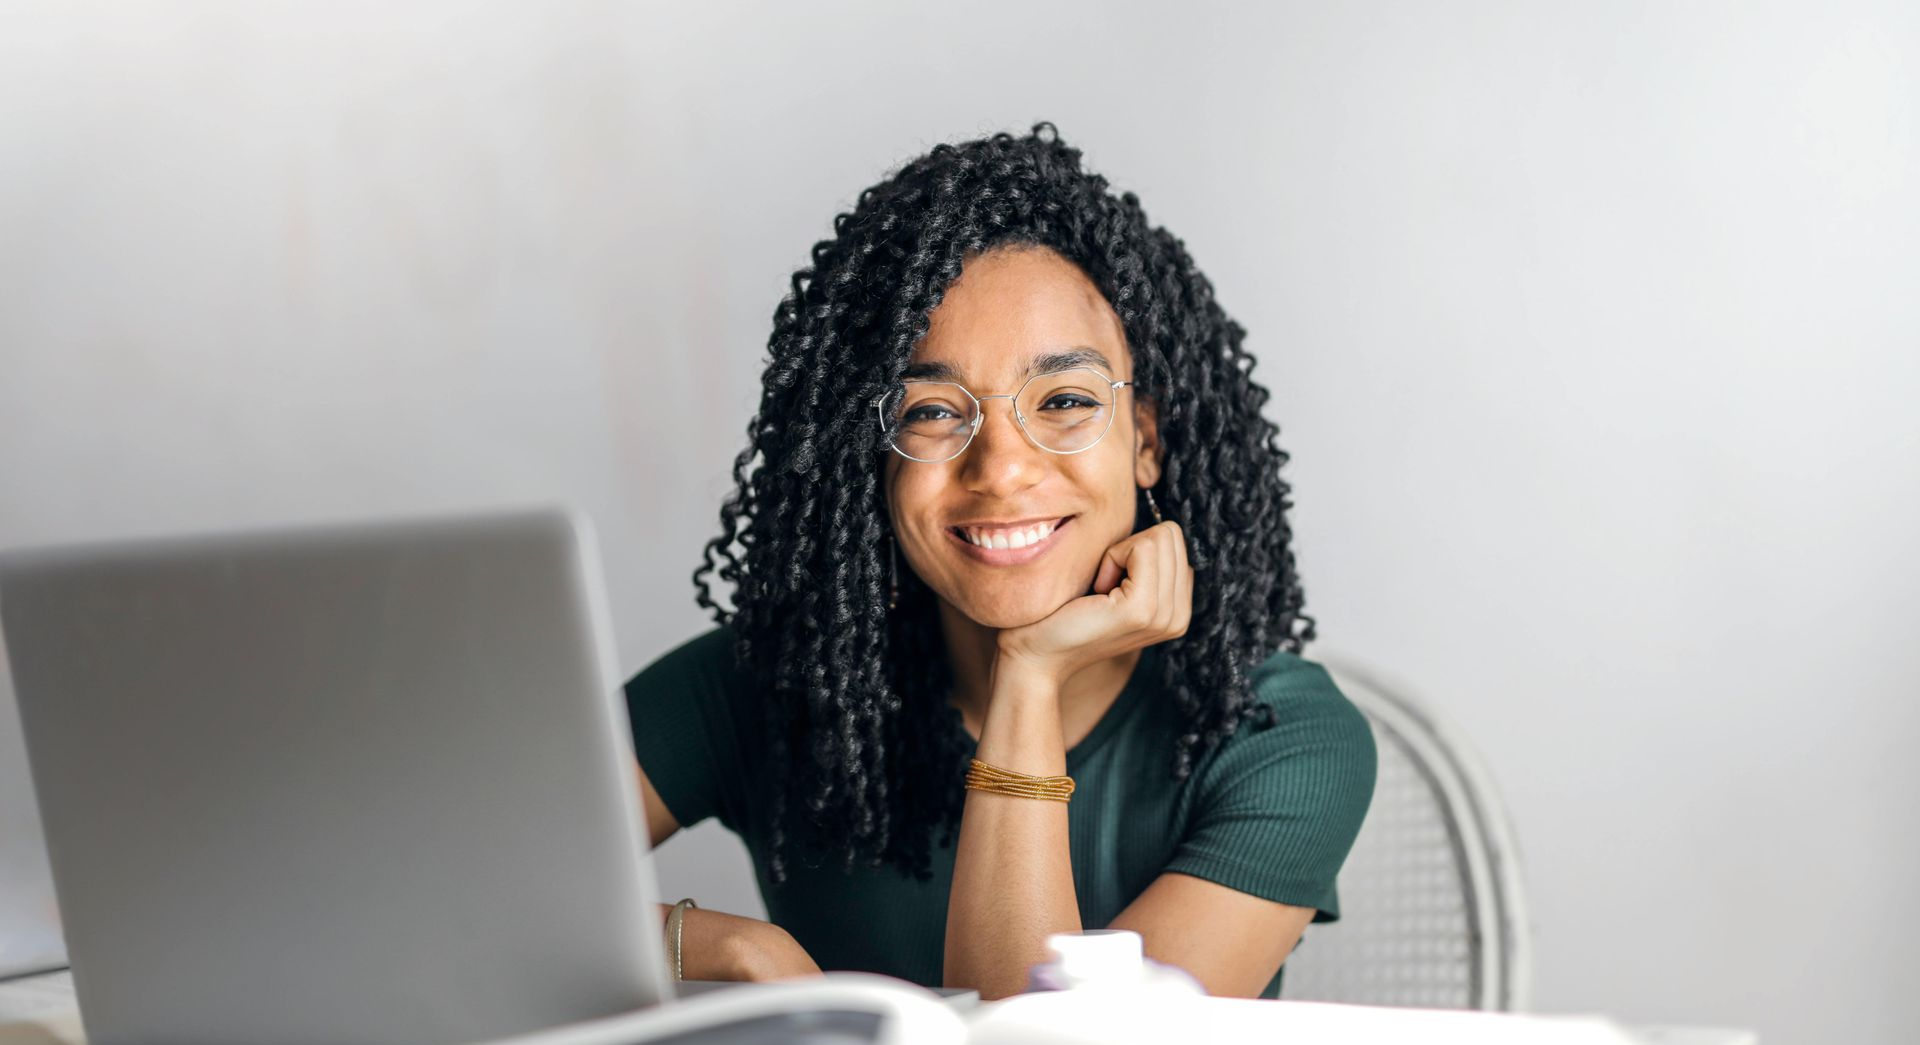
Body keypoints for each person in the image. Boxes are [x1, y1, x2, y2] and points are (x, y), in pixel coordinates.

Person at [624, 123, 1376, 1001]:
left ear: (1146, 440)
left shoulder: (1277, 735)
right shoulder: (769, 681)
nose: (1003, 467)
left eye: (1063, 399)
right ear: (871, 455)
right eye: (933, 412)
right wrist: (728, 948)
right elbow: (449, 877)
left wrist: (1030, 674)